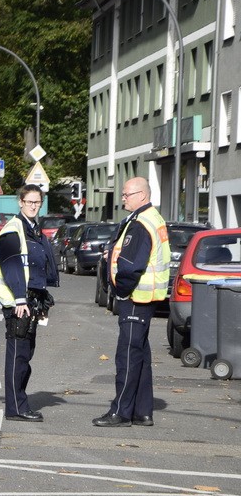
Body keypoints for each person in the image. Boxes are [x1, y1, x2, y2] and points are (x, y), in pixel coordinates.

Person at [93, 177, 171, 428]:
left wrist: (121, 290)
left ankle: (121, 412)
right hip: (145, 298)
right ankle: (142, 410)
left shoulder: (141, 223)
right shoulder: (152, 218)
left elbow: (130, 265)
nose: (123, 198)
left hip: (136, 297)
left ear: (142, 195)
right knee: (140, 355)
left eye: (126, 194)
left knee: (126, 355)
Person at [0, 184, 60, 422]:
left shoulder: (34, 230)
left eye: (37, 202)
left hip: (32, 300)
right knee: (18, 355)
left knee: (26, 355)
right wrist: (19, 298)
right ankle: (16, 408)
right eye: (29, 201)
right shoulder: (13, 229)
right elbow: (11, 266)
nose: (33, 206)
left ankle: (19, 402)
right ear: (20, 202)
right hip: (19, 302)